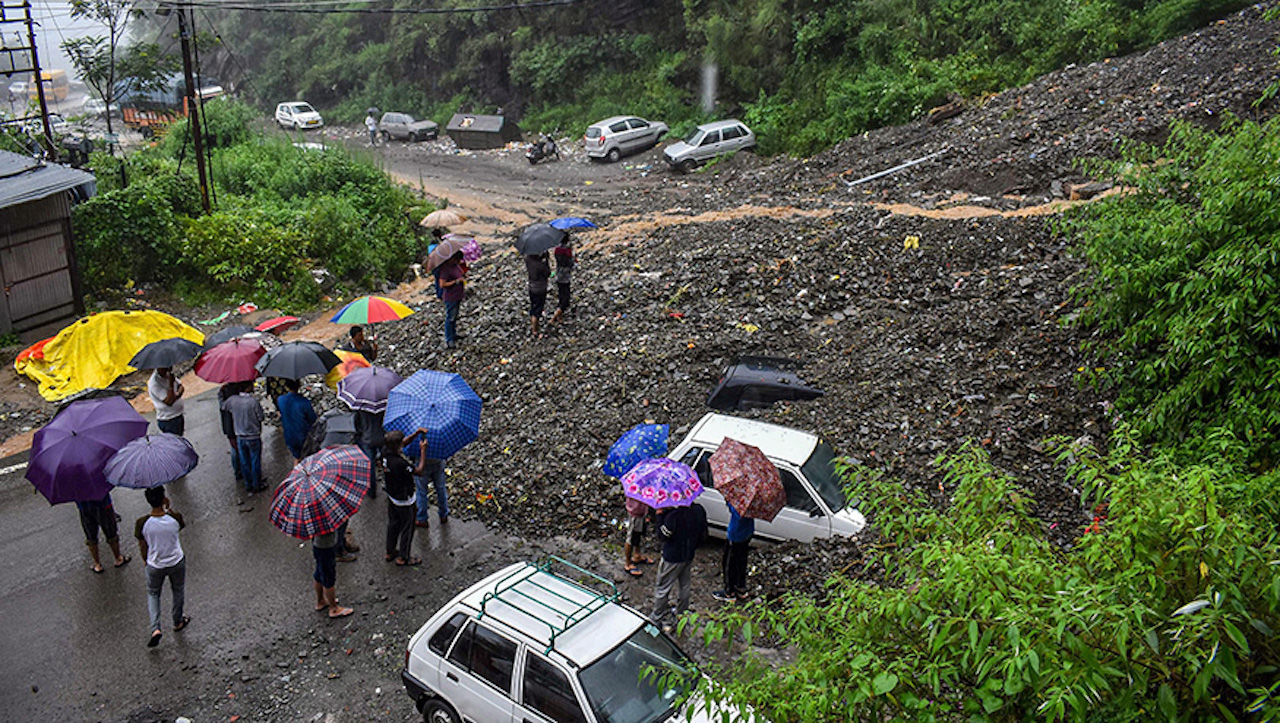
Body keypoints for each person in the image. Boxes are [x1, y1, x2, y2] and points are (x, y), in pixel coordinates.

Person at [135, 485, 188, 647]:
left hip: (155, 564)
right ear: (163, 498)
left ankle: (155, 628)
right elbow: (180, 525)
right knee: (177, 589)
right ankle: (177, 621)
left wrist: (145, 560)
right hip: (176, 561)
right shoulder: (175, 518)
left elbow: (142, 545)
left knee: (153, 594)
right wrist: (169, 508)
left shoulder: (142, 523)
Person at [652, 501, 707, 633]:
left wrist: (659, 516)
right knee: (685, 585)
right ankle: (682, 615)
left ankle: (657, 617)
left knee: (663, 586)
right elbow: (704, 533)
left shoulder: (673, 516)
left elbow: (662, 535)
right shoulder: (699, 510)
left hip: (673, 556)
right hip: (689, 554)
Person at [382, 429, 430, 565]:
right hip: (405, 499)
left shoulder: (385, 452)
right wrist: (423, 452)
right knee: (407, 528)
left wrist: (415, 434)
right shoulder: (400, 464)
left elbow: (403, 443)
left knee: (393, 524)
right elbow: (419, 471)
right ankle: (404, 557)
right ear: (397, 446)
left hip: (392, 495)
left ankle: (390, 551)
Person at [221, 381, 265, 492]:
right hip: (253, 436)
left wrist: (221, 394)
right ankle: (257, 484)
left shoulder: (233, 401)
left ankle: (248, 484)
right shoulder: (253, 402)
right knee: (255, 460)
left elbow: (223, 406)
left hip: (240, 436)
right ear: (247, 388)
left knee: (245, 462)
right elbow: (261, 417)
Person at [77, 492, 130, 573]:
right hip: (103, 504)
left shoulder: (73, 481)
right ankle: (118, 558)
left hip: (84, 508)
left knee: (91, 536)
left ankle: (97, 564)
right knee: (111, 533)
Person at [712, 503, 754, 602]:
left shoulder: (741, 501)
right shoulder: (753, 501)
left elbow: (736, 512)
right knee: (741, 562)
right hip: (747, 532)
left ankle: (729, 592)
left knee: (729, 563)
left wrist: (729, 503)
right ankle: (740, 587)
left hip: (736, 535)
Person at [312, 528, 353, 619]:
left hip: (317, 545)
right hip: (325, 546)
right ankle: (334, 608)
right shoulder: (323, 518)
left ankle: (321, 601)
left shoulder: (313, 519)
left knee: (319, 572)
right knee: (328, 577)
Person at [277, 379, 317, 461]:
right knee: (306, 460)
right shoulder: (304, 402)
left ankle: (295, 472)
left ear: (286, 387)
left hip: (289, 435)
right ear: (299, 386)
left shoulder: (280, 400)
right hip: (303, 435)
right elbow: (313, 419)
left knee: (296, 458)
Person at [438, 251, 466, 349]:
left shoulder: (455, 266)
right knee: (450, 317)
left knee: (454, 316)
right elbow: (442, 284)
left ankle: (453, 334)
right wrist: (456, 281)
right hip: (451, 297)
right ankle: (449, 339)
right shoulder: (445, 269)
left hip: (458, 295)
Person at [413, 455, 450, 528]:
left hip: (421, 463)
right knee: (441, 489)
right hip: (438, 461)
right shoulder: (439, 443)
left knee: (421, 492)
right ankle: (443, 514)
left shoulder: (417, 443)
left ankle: (422, 519)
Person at [217, 383, 244, 484]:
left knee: (234, 449)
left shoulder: (222, 395)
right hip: (236, 427)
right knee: (239, 450)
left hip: (229, 427)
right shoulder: (234, 398)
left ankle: (238, 472)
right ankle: (243, 471)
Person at [147, 366, 185, 435]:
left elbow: (181, 387)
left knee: (180, 440)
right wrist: (171, 384)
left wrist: (176, 395)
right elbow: (169, 401)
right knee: (175, 443)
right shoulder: (154, 383)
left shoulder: (168, 374)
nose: (170, 369)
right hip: (169, 419)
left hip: (178, 415)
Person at [623, 496, 655, 577]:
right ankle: (628, 563)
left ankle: (637, 555)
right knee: (631, 537)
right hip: (635, 511)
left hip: (641, 511)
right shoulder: (635, 486)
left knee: (638, 534)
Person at [525, 251, 552, 337]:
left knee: (534, 306)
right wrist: (546, 259)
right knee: (537, 310)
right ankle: (535, 330)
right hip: (540, 289)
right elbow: (548, 273)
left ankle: (535, 327)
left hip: (531, 287)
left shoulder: (528, 260)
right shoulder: (540, 266)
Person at [550, 236, 574, 325]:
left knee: (561, 297)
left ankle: (560, 317)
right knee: (566, 300)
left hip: (558, 275)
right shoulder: (567, 251)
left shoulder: (557, 250)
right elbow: (570, 264)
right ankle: (554, 317)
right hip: (566, 276)